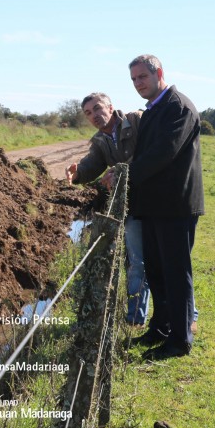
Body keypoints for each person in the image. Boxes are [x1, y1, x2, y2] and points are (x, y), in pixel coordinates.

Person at [125, 54, 204, 360]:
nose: (138, 84)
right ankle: (160, 329)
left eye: (142, 77)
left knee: (175, 272)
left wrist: (124, 175)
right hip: (155, 206)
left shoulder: (178, 107)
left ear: (159, 73)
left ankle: (180, 341)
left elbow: (163, 153)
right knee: (156, 272)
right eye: (133, 80)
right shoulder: (153, 109)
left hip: (175, 206)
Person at [65, 93, 150, 326]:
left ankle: (184, 315)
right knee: (136, 260)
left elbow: (152, 151)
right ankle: (135, 319)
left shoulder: (136, 120)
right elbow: (93, 163)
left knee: (166, 258)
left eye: (98, 108)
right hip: (131, 204)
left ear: (111, 107)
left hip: (156, 200)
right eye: (88, 113)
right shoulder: (100, 141)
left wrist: (122, 170)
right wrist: (78, 173)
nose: (94, 116)